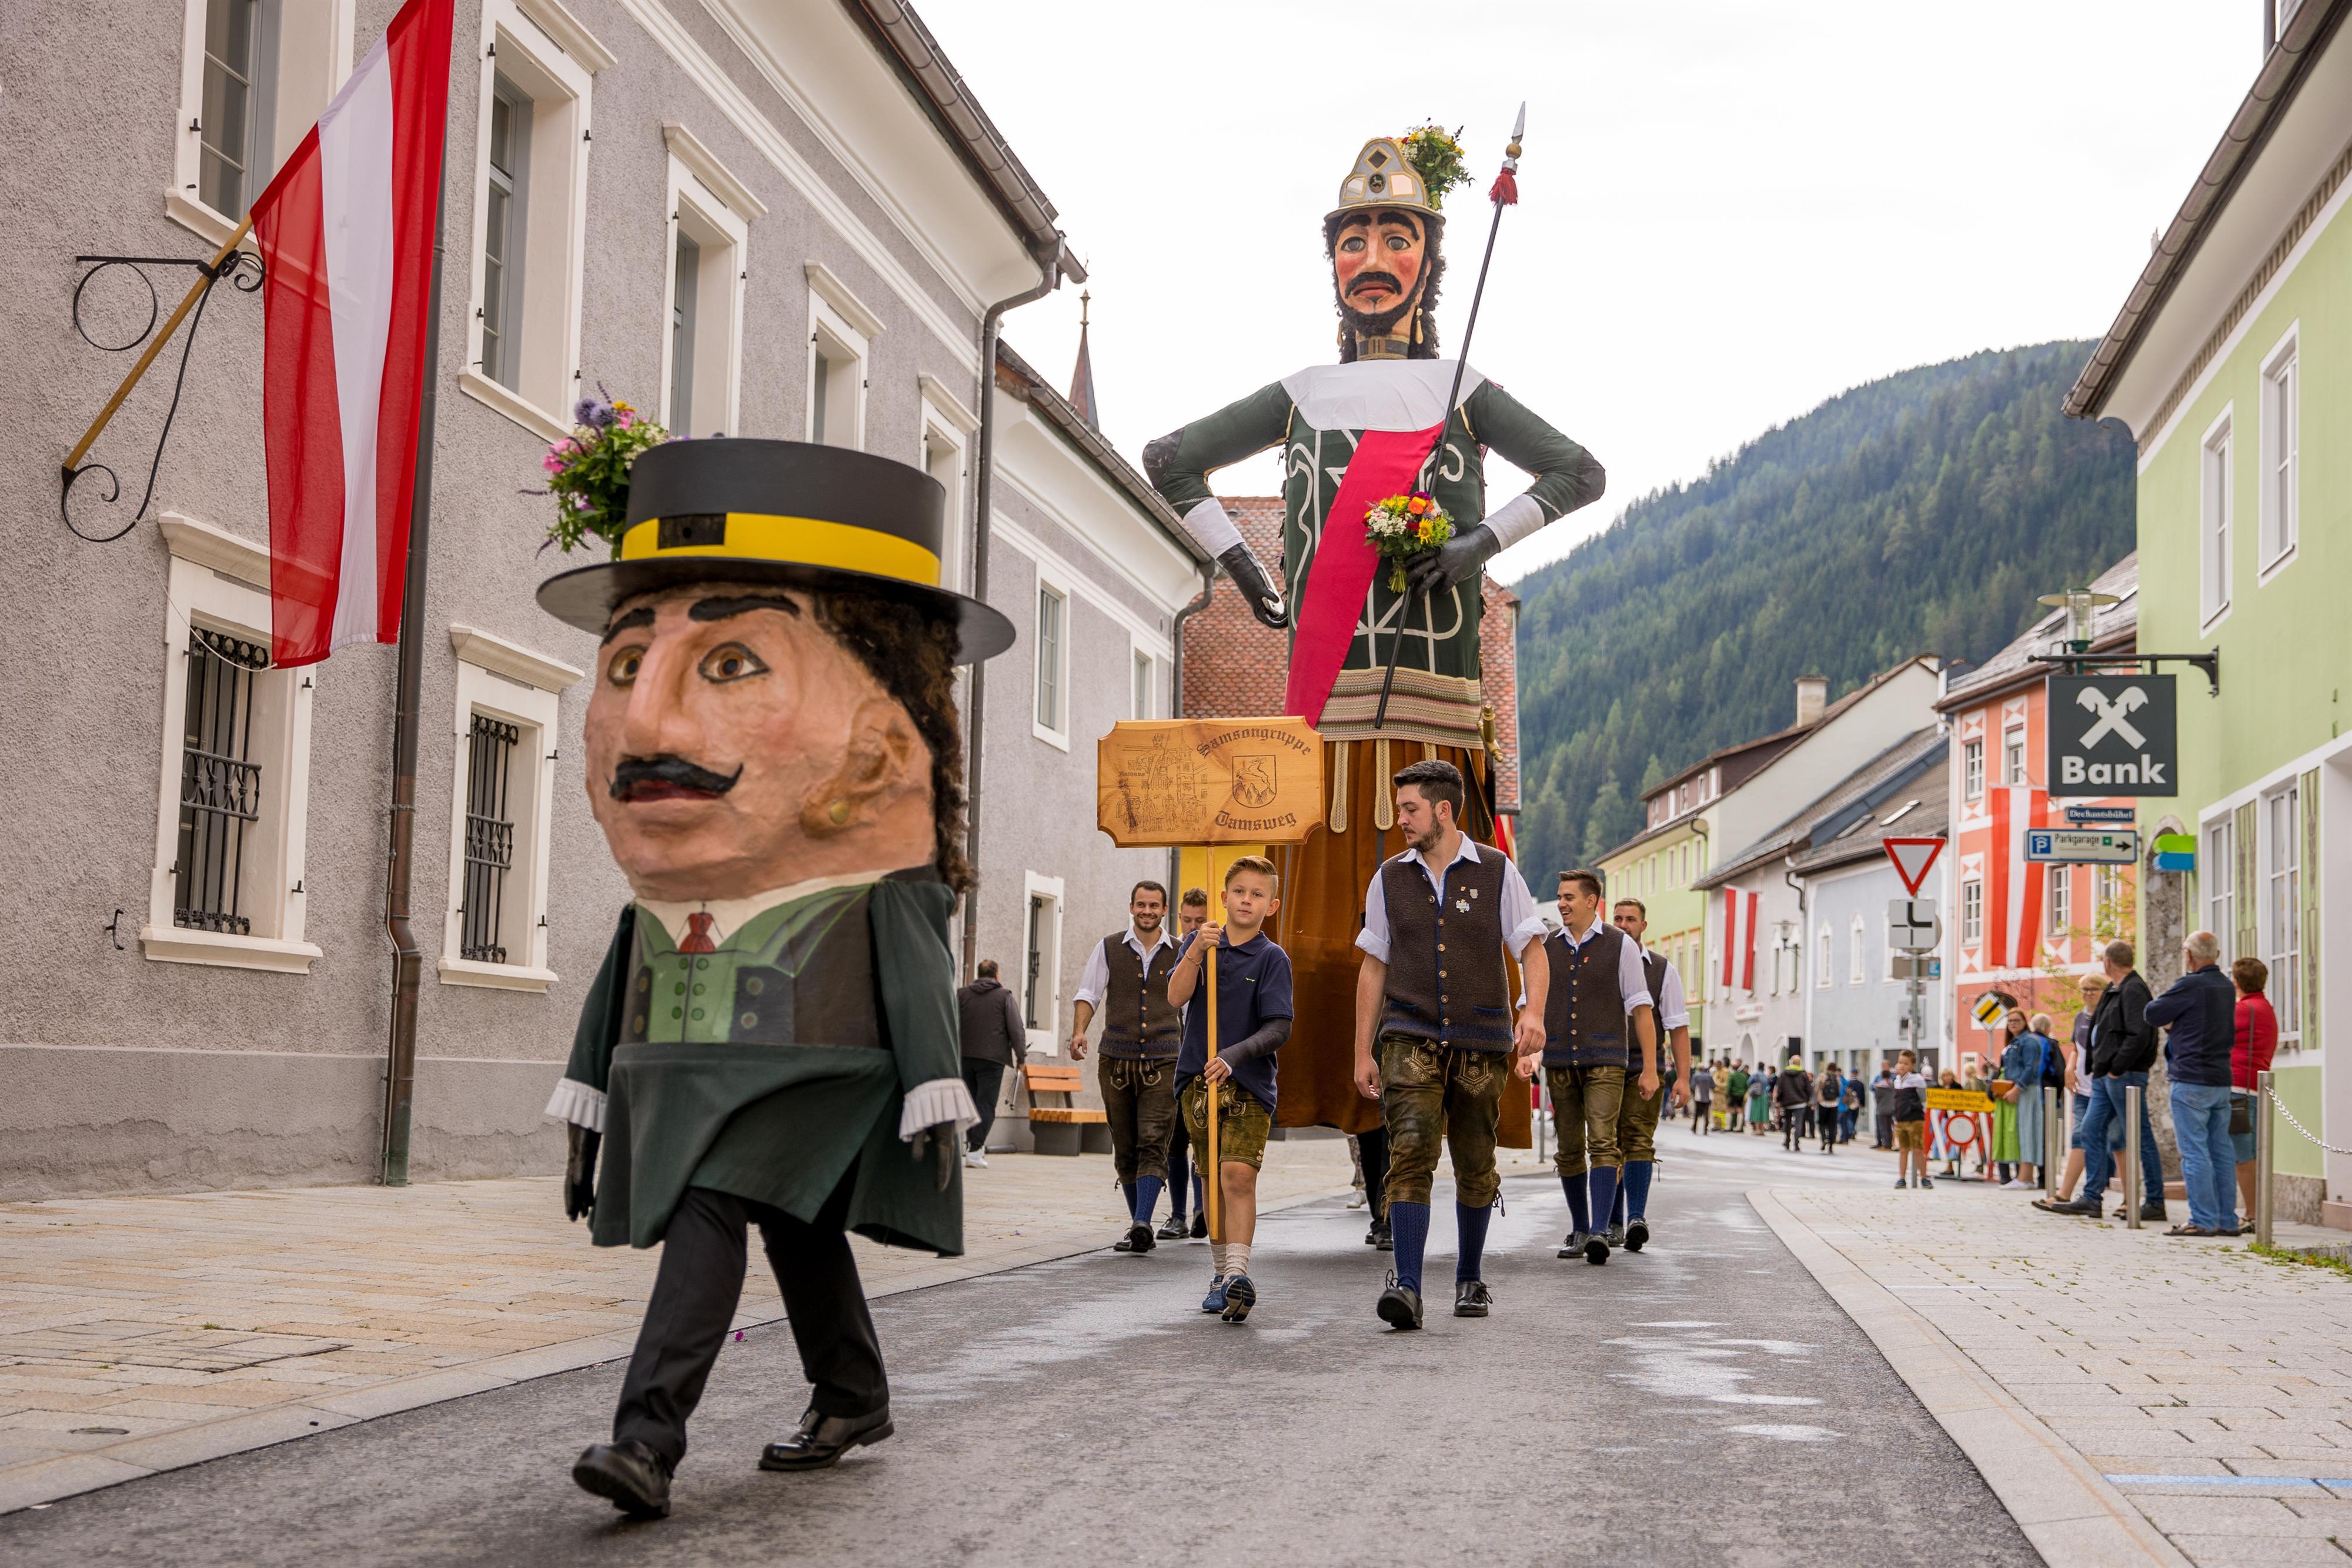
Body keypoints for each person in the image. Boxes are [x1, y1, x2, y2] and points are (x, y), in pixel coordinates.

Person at [540, 438, 1001, 1519]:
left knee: (710, 1197)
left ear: (880, 740)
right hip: (695, 1069)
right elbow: (625, 964)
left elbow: (914, 958)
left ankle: (646, 1439)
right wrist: (589, 1097)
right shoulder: (671, 881)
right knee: (796, 1219)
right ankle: (853, 1392)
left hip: (819, 1067)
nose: (646, 723)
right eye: (626, 664)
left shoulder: (878, 877)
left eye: (733, 662)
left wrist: (937, 1083)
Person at [1147, 133, 1604, 1165]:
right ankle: (1355, 1124)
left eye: (1396, 237)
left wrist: (1482, 541)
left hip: (1437, 702)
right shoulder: (1304, 391)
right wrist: (1244, 568)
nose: (1372, 259)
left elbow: (1580, 472)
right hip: (1329, 707)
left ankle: (1426, 1138)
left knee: (1445, 941)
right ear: (1333, 264)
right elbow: (1170, 461)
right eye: (1353, 239)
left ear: (1428, 263)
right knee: (1325, 942)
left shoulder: (1461, 386)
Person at [1352, 759, 1549, 1330]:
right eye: (1399, 808)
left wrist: (1533, 1011)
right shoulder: (1389, 877)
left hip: (1481, 1040)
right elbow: (1373, 966)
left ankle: (1469, 1276)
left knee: (1475, 1159)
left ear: (1443, 809)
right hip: (1408, 1034)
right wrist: (1362, 1050)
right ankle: (1408, 1287)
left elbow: (1532, 949)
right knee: (1410, 1150)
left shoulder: (1497, 870)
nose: (1400, 819)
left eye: (1409, 808)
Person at [1167, 857, 1295, 1322]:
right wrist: (1197, 951)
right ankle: (1220, 1276)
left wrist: (1234, 1055)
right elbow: (1175, 997)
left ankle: (1239, 1273)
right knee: (1210, 1179)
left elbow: (1279, 1027)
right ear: (1223, 897)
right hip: (1197, 1082)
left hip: (1248, 1084)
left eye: (1258, 894)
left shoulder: (1272, 958)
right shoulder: (1199, 944)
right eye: (1239, 891)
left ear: (1271, 905)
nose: (1246, 900)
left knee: (1237, 1175)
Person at [1538, 871, 1657, 1265]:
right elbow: (1530, 1003)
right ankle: (1580, 1227)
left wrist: (1650, 1068)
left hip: (1606, 1059)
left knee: (1603, 1142)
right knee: (1568, 1148)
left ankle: (1600, 1230)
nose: (1562, 904)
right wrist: (1526, 1053)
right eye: (1559, 897)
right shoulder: (1546, 945)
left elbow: (1640, 1007)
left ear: (1591, 901)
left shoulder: (1620, 944)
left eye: (1569, 897)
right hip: (1559, 1059)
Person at [1070, 882, 1184, 1255]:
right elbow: (1089, 993)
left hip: (1165, 1058)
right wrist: (1079, 1032)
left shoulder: (1181, 951)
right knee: (1124, 1144)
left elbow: (1193, 1006)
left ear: (1164, 910)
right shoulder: (1108, 947)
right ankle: (1140, 1225)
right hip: (1116, 1060)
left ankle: (1142, 1222)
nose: (1147, 911)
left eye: (1154, 905)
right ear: (1131, 907)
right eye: (1141, 905)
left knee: (1153, 1139)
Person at [2039, 941, 2165, 1222]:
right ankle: (2092, 1198)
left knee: (2139, 1136)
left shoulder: (2133, 989)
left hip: (2123, 1075)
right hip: (2104, 1076)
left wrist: (2116, 1068)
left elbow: (2140, 1034)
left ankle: (2155, 1201)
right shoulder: (2115, 989)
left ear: (2108, 961)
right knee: (2090, 1130)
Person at [1602, 897, 1692, 1251]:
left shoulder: (1662, 969)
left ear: (1643, 926)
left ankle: (1636, 1217)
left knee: (1638, 1139)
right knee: (1606, 1143)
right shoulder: (1599, 963)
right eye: (1618, 919)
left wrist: (1682, 1078)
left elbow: (1678, 1026)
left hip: (1645, 1066)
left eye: (1631, 919)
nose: (1623, 925)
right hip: (1603, 1065)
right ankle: (1612, 1221)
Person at [2148, 931, 2239, 1237]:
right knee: (2221, 1152)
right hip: (2220, 1077)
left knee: (2195, 1152)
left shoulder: (2191, 984)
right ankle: (2227, 1220)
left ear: (2189, 955)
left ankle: (2202, 1219)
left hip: (2191, 1077)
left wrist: (2174, 1024)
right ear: (2217, 954)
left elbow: (2152, 1013)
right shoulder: (2226, 986)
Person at [1160, 887, 1214, 1242]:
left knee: (1202, 1139)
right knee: (1175, 1141)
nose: (1193, 927)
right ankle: (1178, 1215)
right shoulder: (1174, 950)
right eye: (1188, 920)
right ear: (1179, 917)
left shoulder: (1218, 950)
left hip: (1201, 1062)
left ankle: (1200, 1211)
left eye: (1200, 920)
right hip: (1171, 1061)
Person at [956, 960, 1026, 1168]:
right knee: (986, 1104)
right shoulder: (1004, 996)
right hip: (992, 1060)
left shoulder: (961, 995)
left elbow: (950, 1023)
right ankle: (975, 1150)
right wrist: (1021, 1057)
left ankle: (971, 1147)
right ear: (996, 975)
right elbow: (1016, 1029)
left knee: (970, 1102)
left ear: (979, 975)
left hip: (964, 1057)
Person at [2048, 974, 2110, 1203]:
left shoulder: (2108, 1016)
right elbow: (2076, 1047)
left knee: (2116, 1140)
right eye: (2084, 989)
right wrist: (2070, 1068)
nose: (2088, 993)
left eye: (2093, 989)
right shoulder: (2080, 1017)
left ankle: (2126, 1198)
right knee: (2079, 1136)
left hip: (2103, 1087)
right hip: (2082, 1088)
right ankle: (2064, 1193)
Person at [2231, 957, 2279, 1223]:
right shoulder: (2265, 1008)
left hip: (2238, 1087)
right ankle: (2257, 1212)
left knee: (2243, 1155)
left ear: (2237, 982)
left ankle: (2253, 1215)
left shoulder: (2242, 1010)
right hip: (2255, 1088)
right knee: (2252, 1153)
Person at [1990, 1011, 2029, 1186]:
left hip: (2017, 1092)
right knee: (2003, 1134)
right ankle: (2005, 1176)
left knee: (2015, 1134)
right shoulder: (2010, 1045)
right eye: (2010, 1021)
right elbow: (2005, 1070)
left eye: (2017, 1021)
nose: (2013, 1024)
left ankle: (2021, 1176)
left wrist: (2017, 1089)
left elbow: (2029, 1069)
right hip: (2005, 1093)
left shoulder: (2027, 1042)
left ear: (2024, 1022)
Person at [1891, 1051, 1931, 1188]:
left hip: (1915, 1119)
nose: (1902, 1066)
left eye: (1906, 1064)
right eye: (1900, 1062)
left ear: (1912, 1065)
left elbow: (1923, 1099)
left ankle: (1924, 1178)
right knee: (1903, 1150)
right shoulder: (1897, 1081)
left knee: (1918, 1149)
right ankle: (1902, 1178)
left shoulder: (1917, 1080)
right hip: (1900, 1120)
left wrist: (1919, 1112)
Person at [1775, 1054, 1812, 1152]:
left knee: (1787, 1122)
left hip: (1787, 1102)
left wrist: (1779, 1100)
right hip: (1800, 1102)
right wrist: (1807, 1099)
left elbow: (1780, 1088)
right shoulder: (1803, 1074)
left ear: (1791, 1062)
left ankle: (1787, 1140)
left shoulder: (1784, 1073)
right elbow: (1808, 1088)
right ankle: (1796, 1142)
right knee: (1799, 1123)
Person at [1815, 1059, 1845, 1154]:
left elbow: (1817, 1089)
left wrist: (1817, 1099)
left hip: (1823, 1103)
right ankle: (1831, 1144)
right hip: (1834, 1104)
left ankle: (1824, 1138)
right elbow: (1840, 1090)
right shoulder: (1837, 1078)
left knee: (1822, 1123)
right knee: (1832, 1124)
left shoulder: (1822, 1076)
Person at [1871, 1062, 1896, 1149]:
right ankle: (1889, 1144)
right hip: (1891, 1108)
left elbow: (1876, 1095)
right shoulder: (1893, 1084)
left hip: (1882, 1109)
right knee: (1889, 1128)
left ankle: (1884, 1144)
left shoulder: (1880, 1085)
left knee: (1883, 1127)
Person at [1689, 1054, 1715, 1134]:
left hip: (1698, 1097)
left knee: (1697, 1113)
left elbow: (1692, 1086)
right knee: (1706, 1113)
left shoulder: (1696, 1076)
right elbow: (1713, 1086)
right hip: (1708, 1097)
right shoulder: (1709, 1077)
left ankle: (1694, 1127)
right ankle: (1705, 1129)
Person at [1726, 1060, 1750, 1134]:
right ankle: (1739, 1127)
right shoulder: (1744, 1076)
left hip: (1733, 1094)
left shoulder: (1732, 1075)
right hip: (1741, 1095)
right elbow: (1746, 1086)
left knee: (1729, 1110)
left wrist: (1728, 1094)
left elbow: (1729, 1086)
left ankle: (1728, 1127)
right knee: (1740, 1110)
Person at [1748, 1064, 1772, 1137]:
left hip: (1757, 1095)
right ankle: (1762, 1130)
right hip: (1764, 1095)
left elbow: (1748, 1082)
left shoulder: (1755, 1075)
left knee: (1756, 1112)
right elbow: (1768, 1085)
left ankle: (1757, 1129)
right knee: (1763, 1112)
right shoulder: (1765, 1076)